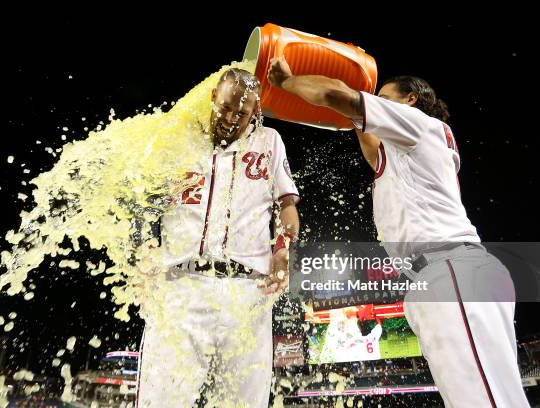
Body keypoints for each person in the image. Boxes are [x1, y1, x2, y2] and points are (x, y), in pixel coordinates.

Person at [268, 57, 529, 407]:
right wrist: (349, 104)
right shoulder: (405, 148)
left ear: (410, 100)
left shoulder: (418, 123)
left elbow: (334, 95)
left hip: (451, 271)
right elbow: (367, 138)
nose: (376, 103)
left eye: (384, 98)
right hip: (440, 275)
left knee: (485, 400)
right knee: (475, 397)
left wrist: (286, 81)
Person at [135, 68, 300, 407]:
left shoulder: (269, 142)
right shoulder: (177, 139)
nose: (231, 118)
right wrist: (142, 248)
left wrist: (282, 253)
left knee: (244, 402)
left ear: (255, 111)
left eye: (241, 113)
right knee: (161, 400)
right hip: (180, 286)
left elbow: (286, 207)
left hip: (247, 293)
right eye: (226, 107)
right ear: (213, 98)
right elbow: (142, 202)